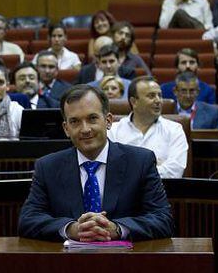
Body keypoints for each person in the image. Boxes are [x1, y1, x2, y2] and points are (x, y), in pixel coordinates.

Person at [18, 84, 174, 241]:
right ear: (66, 128)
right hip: (67, 262)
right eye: (75, 122)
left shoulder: (140, 161)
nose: (85, 129)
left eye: (92, 118)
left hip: (125, 261)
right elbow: (28, 220)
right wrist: (71, 229)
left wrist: (118, 229)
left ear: (108, 120)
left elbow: (163, 219)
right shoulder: (48, 166)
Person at [108, 76, 188, 178]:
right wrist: (154, 167)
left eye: (159, 95)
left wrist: (129, 170)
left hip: (163, 191)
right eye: (151, 96)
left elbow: (174, 172)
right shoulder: (113, 131)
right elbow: (110, 170)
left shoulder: (174, 130)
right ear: (134, 102)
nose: (158, 100)